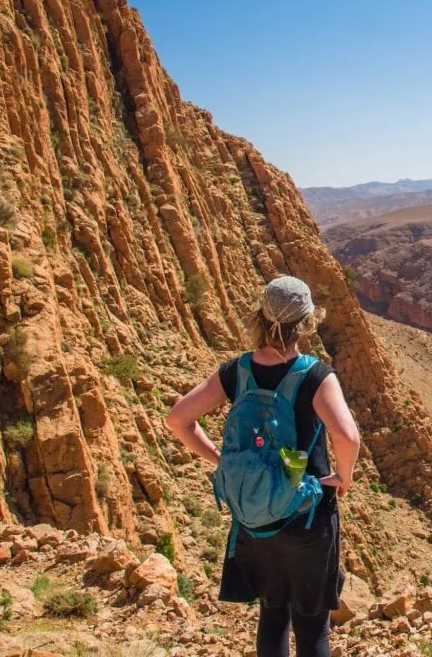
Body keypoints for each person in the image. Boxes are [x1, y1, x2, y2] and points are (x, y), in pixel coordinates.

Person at [166, 275, 360, 657]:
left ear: (260, 316)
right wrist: (344, 477)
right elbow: (348, 437)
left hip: (255, 519)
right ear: (305, 323)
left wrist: (220, 461)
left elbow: (177, 420)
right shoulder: (315, 375)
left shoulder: (236, 372)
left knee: (273, 613)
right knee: (312, 624)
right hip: (307, 515)